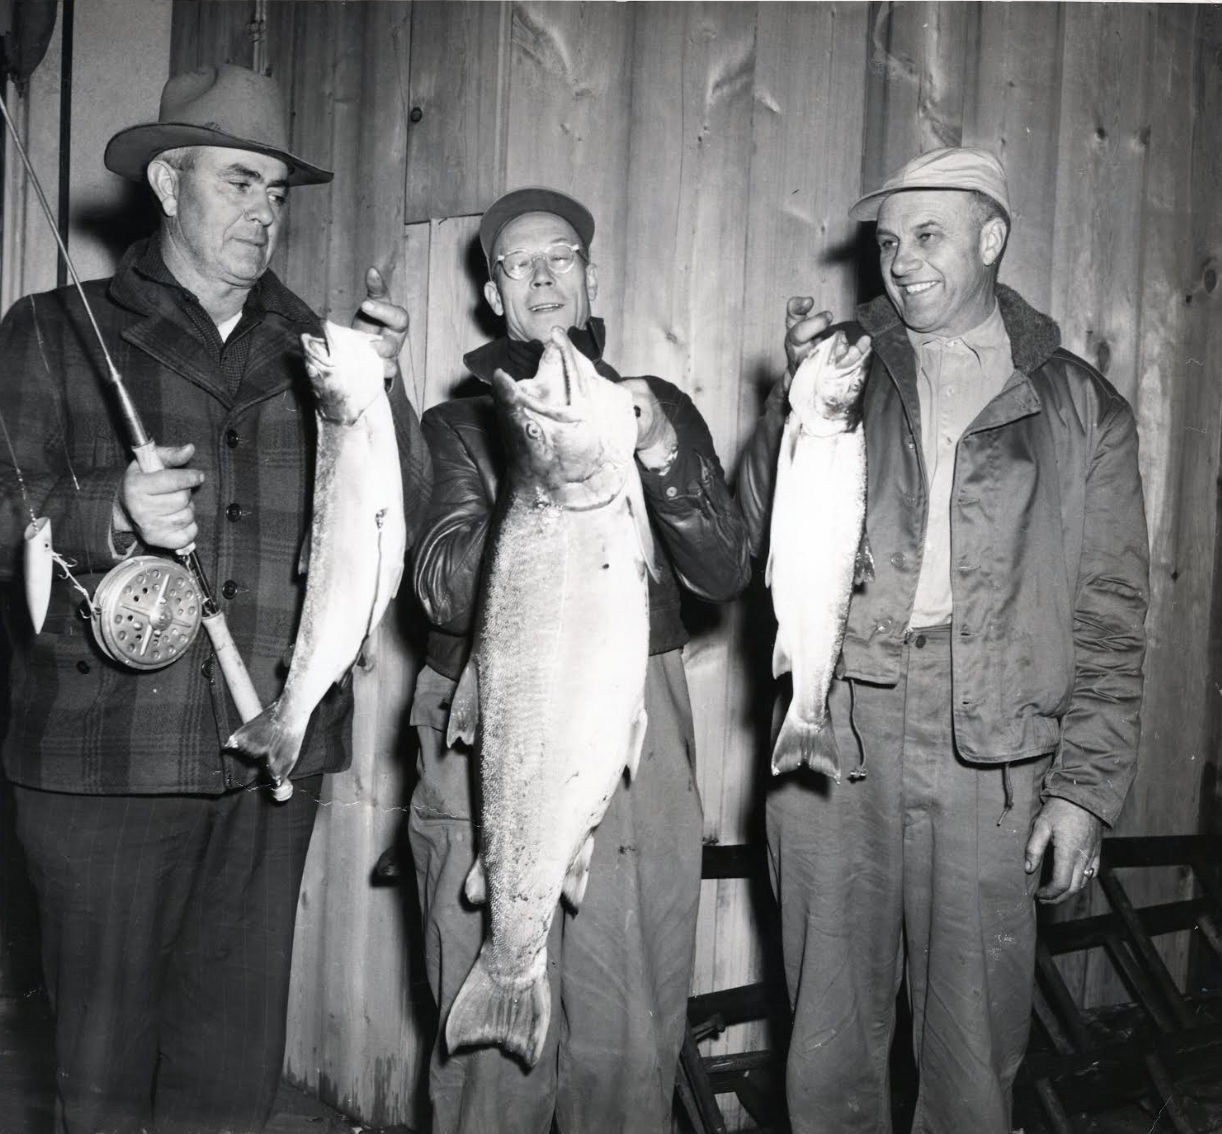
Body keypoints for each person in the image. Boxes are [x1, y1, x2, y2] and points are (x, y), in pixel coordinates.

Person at [0, 64, 430, 1134]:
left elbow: (398, 529)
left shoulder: (325, 353)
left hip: (268, 762)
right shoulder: (54, 328)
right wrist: (108, 510)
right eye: (240, 182)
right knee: (98, 1083)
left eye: (278, 192)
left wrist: (384, 396)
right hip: (104, 770)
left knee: (229, 1085)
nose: (265, 212)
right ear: (167, 181)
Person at [737, 147, 1149, 1134]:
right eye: (887, 242)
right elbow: (754, 534)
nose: (901, 261)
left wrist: (1086, 789)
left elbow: (1111, 609)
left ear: (991, 238)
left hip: (995, 750)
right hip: (836, 728)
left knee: (972, 1056)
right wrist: (789, 412)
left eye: (927, 237)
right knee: (828, 1038)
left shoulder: (1079, 404)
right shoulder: (847, 373)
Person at [408, 185, 751, 1134]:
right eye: (522, 264)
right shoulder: (458, 427)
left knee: (628, 1023)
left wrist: (655, 446)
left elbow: (721, 571)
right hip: (494, 721)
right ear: (494, 293)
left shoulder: (656, 406)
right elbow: (437, 588)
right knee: (486, 1082)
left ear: (591, 275)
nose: (547, 275)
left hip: (623, 715)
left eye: (563, 255)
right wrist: (541, 477)